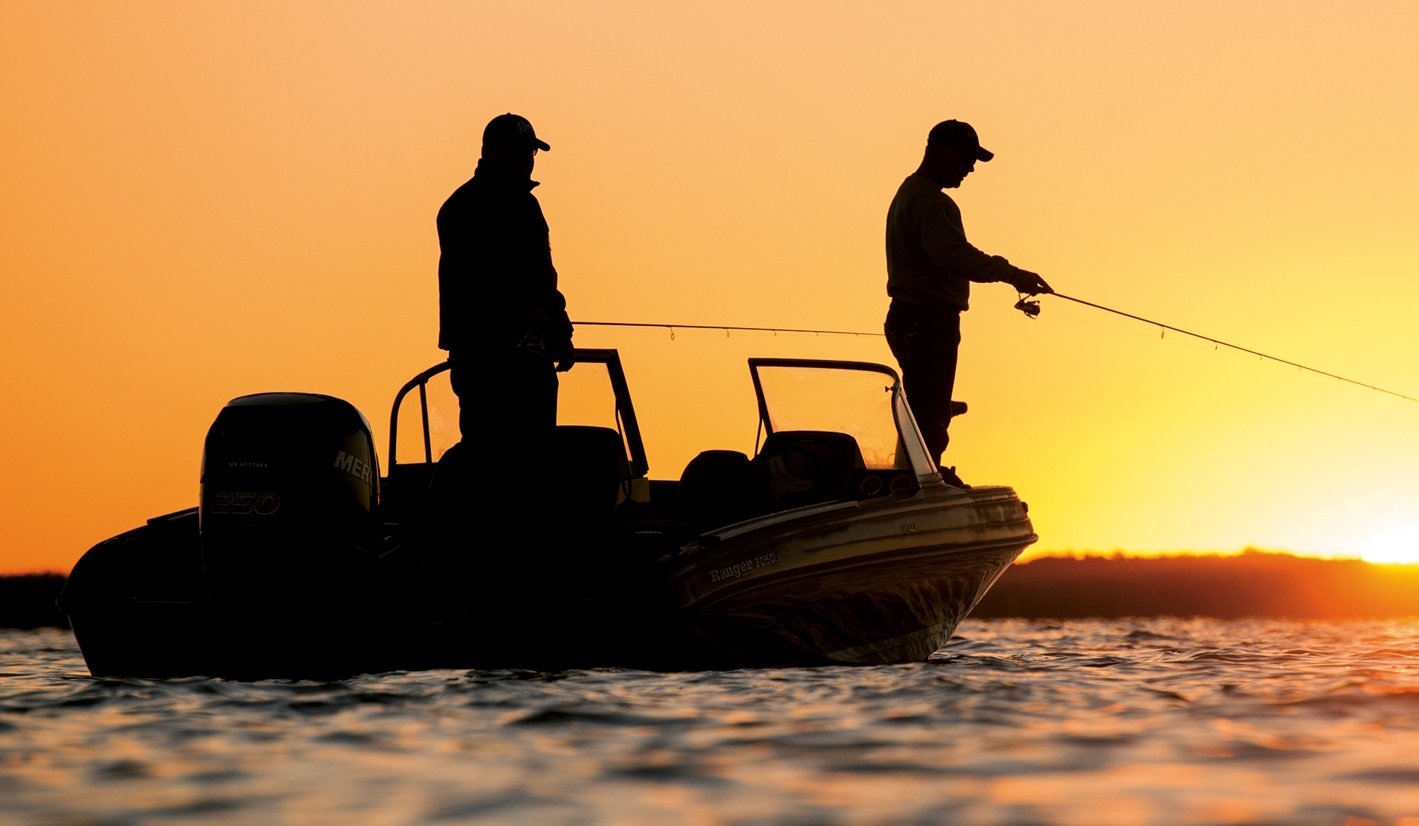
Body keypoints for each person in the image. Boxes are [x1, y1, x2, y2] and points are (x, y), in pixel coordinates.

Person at [884, 120, 1051, 486]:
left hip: (911, 319)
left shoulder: (909, 193)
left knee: (927, 409)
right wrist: (1013, 274)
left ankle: (921, 474)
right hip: (926, 322)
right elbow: (954, 257)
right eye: (966, 159)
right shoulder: (930, 201)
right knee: (928, 413)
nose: (970, 169)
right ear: (943, 154)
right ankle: (922, 483)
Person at [436, 113, 574, 454]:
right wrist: (517, 313)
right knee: (491, 464)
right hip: (486, 367)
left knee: (537, 466)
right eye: (520, 151)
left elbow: (544, 278)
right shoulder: (462, 208)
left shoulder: (528, 206)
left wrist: (561, 331)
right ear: (493, 152)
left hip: (534, 368)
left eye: (532, 152)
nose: (529, 160)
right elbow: (470, 283)